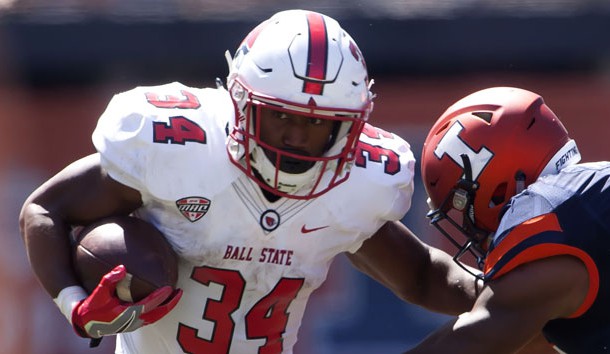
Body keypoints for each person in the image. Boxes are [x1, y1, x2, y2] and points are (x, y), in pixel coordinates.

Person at [19, 9, 481, 354]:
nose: (297, 136)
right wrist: (74, 305)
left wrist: (507, 293)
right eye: (280, 115)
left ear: (350, 127)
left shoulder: (355, 186)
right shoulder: (177, 147)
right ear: (241, 101)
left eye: (319, 124)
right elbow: (45, 210)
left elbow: (420, 275)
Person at [404, 86, 608, 354]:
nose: (468, 228)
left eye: (464, 208)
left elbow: (470, 343)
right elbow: (429, 280)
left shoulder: (547, 218)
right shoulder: (586, 201)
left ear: (498, 188)